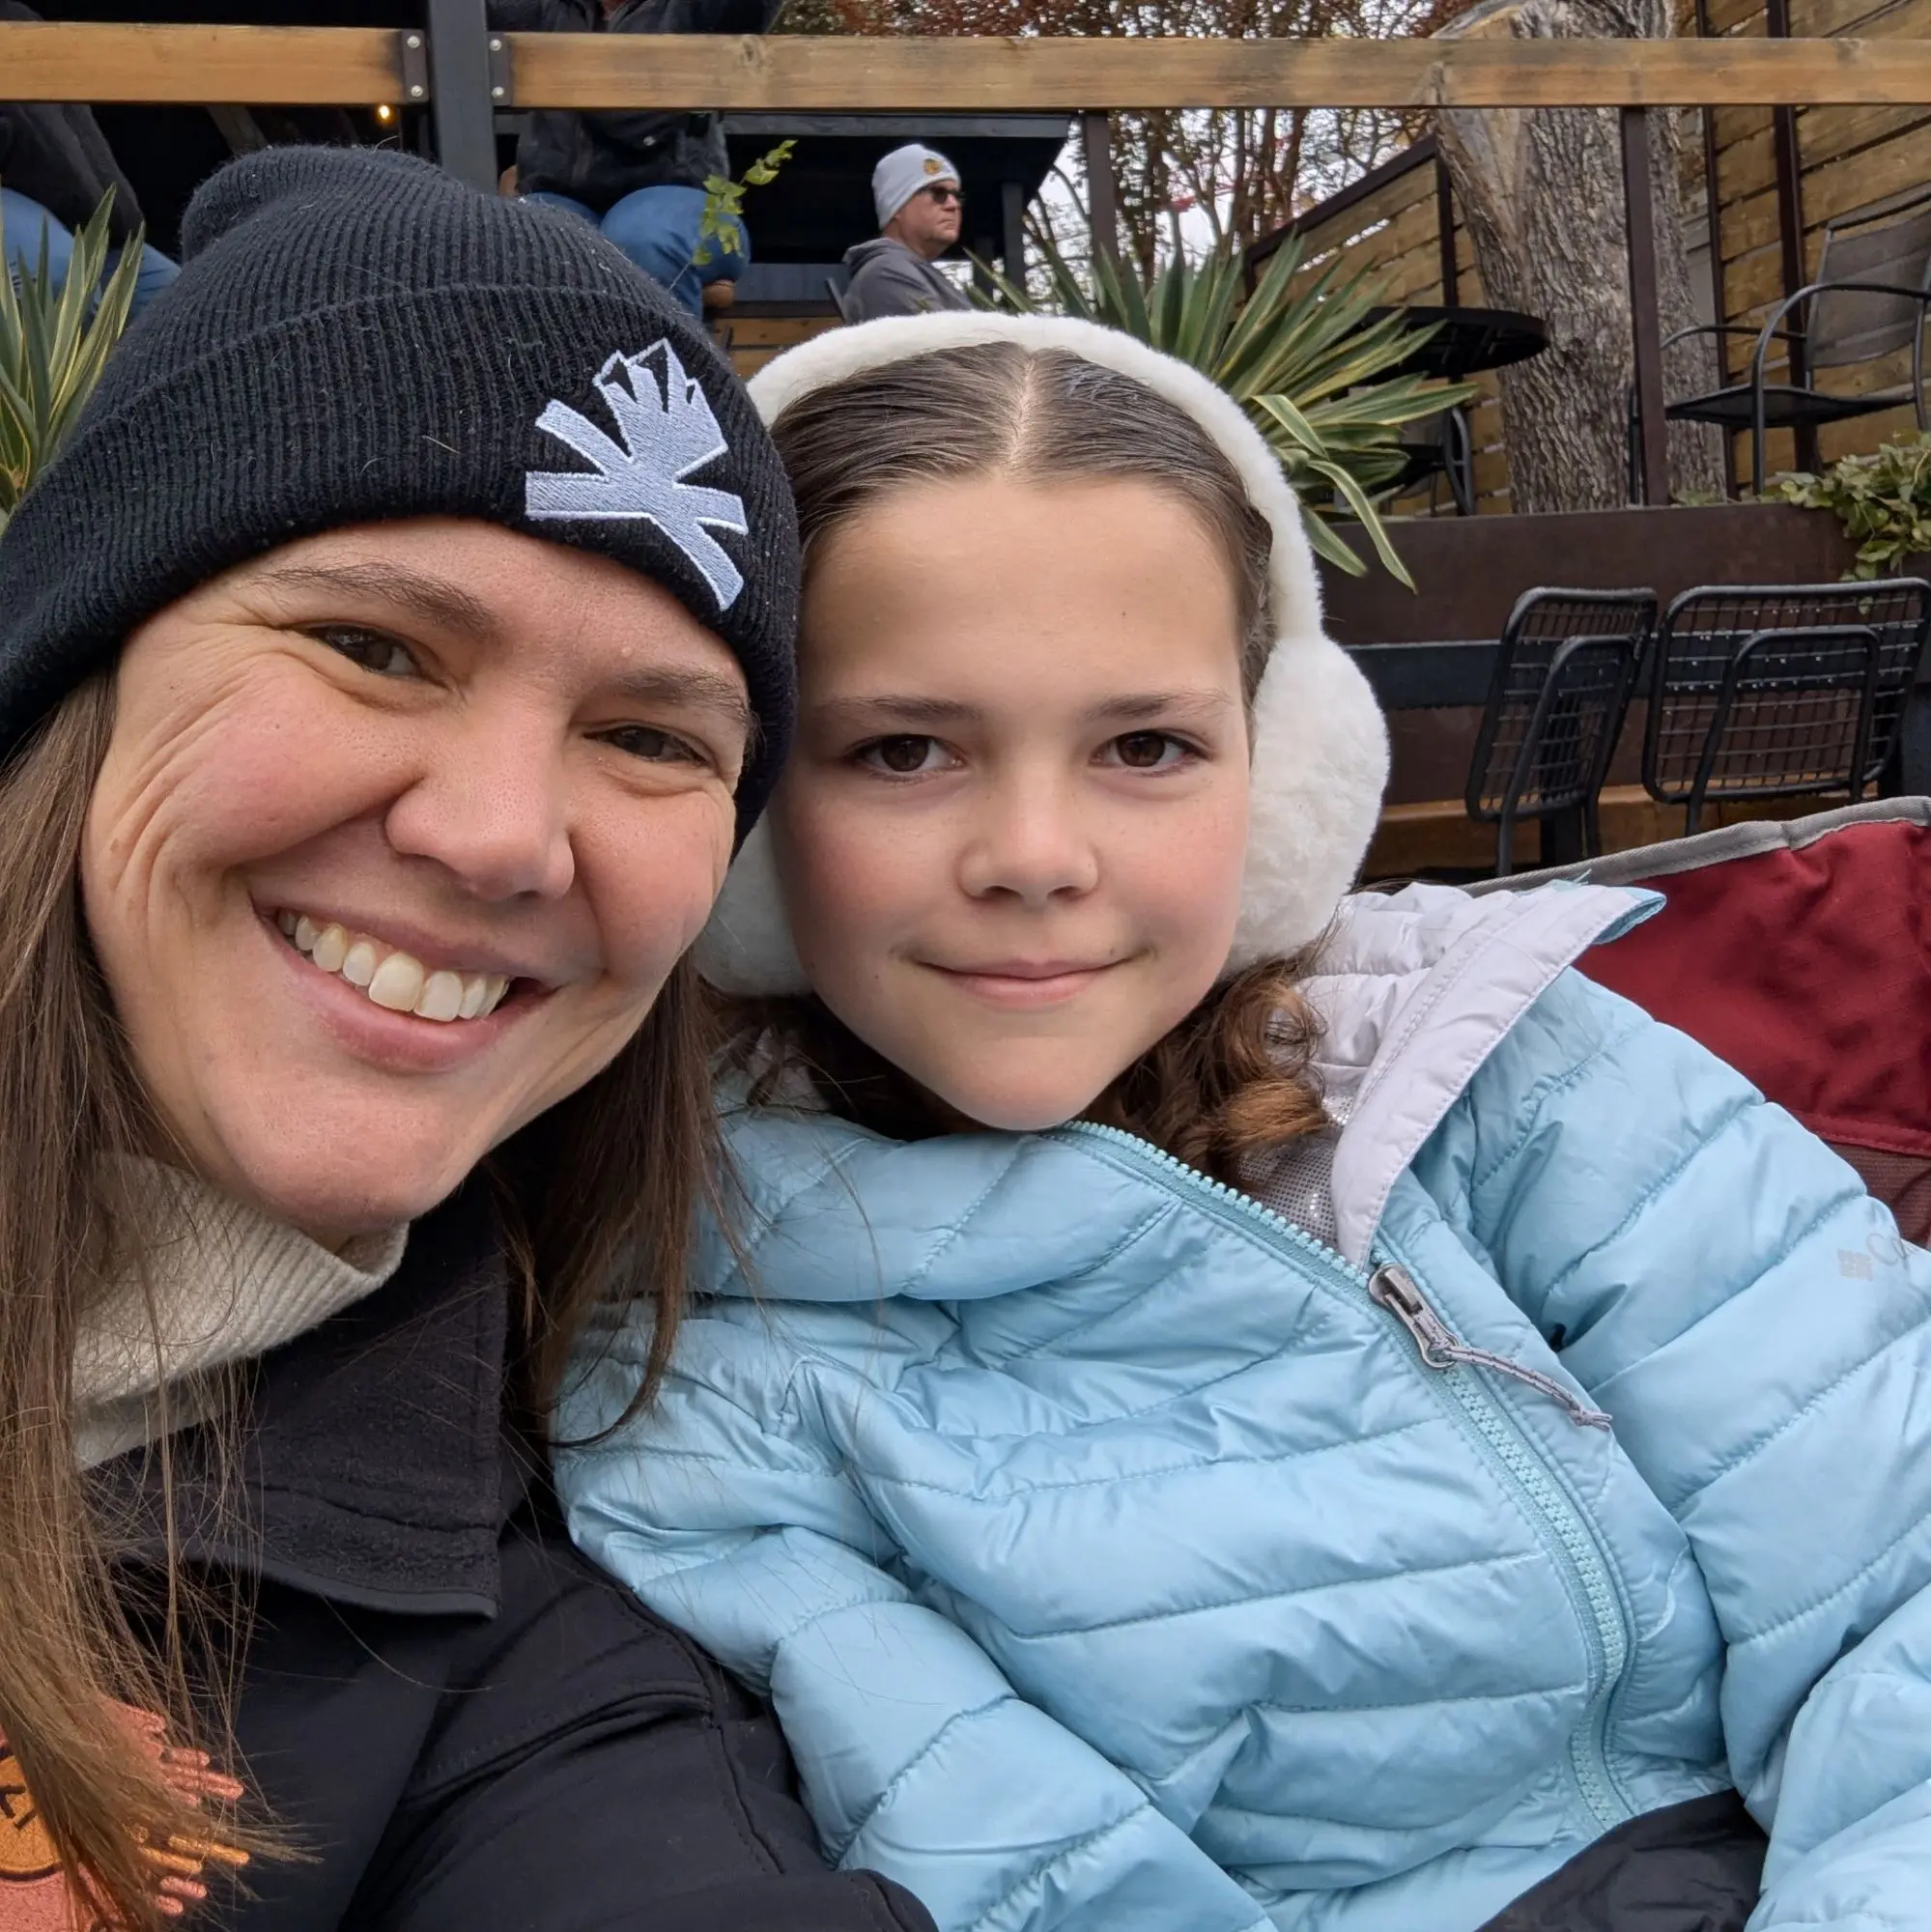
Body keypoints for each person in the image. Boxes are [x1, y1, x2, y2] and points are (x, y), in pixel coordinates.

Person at [557, 312, 1931, 1932]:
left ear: (1281, 776)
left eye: (1144, 745)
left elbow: (1887, 1595)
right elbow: (1041, 1885)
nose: (1035, 854)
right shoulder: (681, 1354)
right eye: (903, 748)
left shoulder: (1499, 1070)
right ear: (739, 819)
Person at [0, 144, 936, 1932]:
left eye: (654, 738)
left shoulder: (507, 1679)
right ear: (75, 673)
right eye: (372, 645)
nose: (504, 834)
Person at [490, 0, 784, 319]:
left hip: (682, 203)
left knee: (643, 239)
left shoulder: (694, 9)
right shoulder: (545, 8)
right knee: (521, 244)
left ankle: (668, 367)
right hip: (558, 199)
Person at [0, 2, 179, 318]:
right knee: (59, 281)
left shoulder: (22, 20)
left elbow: (83, 143)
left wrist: (121, 214)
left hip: (87, 222)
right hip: (15, 200)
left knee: (188, 301)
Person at [839, 143, 971, 322]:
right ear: (897, 207)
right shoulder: (887, 273)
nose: (953, 205)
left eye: (957, 196)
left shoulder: (909, 271)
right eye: (938, 193)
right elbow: (945, 346)